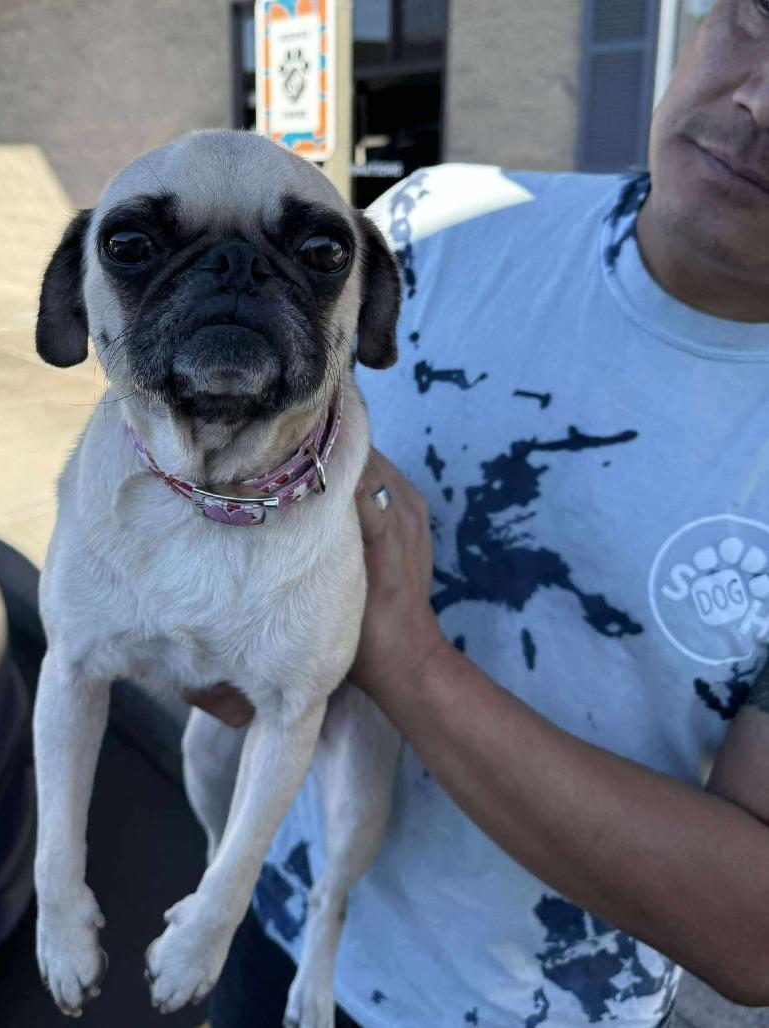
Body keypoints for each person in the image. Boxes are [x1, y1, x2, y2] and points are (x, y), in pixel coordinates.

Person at [195, 2, 769, 1025]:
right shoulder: (432, 223)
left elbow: (751, 931)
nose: (759, 98)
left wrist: (408, 660)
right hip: (264, 926)